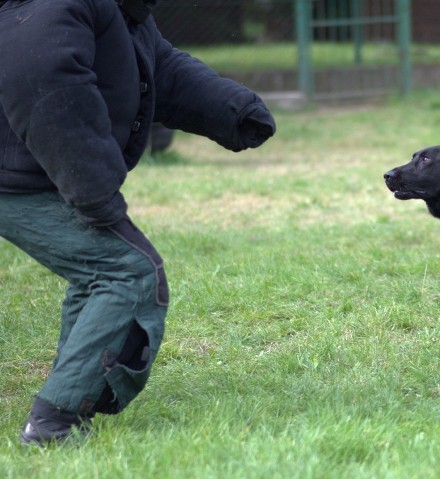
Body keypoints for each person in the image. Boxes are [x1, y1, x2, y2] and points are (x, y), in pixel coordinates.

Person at [0, 0, 276, 445]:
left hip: (38, 173)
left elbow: (159, 68)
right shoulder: (54, 7)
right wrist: (93, 193)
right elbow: (44, 81)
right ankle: (54, 423)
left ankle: (72, 395)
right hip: (16, 182)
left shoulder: (123, 10)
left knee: (100, 272)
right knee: (127, 271)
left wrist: (232, 108)